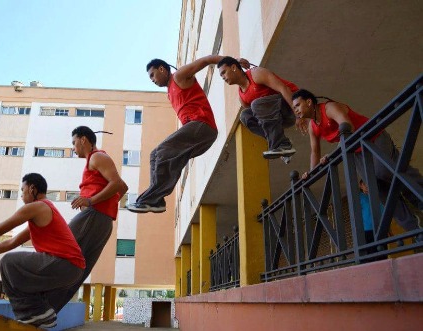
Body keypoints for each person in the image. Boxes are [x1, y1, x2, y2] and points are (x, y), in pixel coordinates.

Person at [0, 173, 85, 328]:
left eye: (23, 190)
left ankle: (34, 313)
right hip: (72, 270)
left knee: (8, 263)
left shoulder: (37, 207)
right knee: (14, 268)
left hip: (64, 264)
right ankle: (40, 315)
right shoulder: (42, 213)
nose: (21, 195)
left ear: (32, 189)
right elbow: (12, 242)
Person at [292, 89, 422, 232]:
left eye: (297, 105)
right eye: (294, 108)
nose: (296, 110)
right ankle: (413, 227)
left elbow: (348, 127)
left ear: (309, 102)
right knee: (376, 188)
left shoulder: (329, 108)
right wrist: (311, 174)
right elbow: (315, 151)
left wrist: (334, 154)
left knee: (384, 171)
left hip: (373, 137)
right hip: (356, 151)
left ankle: (419, 197)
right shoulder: (313, 126)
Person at [45, 126, 128, 312]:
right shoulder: (97, 159)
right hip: (102, 220)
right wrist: (103, 202)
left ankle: (39, 300)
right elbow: (122, 187)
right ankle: (49, 310)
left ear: (83, 140)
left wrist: (91, 201)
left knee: (60, 249)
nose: (74, 149)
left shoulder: (97, 156)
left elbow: (117, 184)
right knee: (79, 266)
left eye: (74, 143)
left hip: (94, 216)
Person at [126, 56, 221, 213]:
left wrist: (230, 60)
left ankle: (152, 199)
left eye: (152, 75)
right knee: (156, 155)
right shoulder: (169, 92)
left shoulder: (179, 76)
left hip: (202, 126)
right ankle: (157, 200)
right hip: (198, 135)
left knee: (163, 151)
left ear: (162, 69)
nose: (152, 80)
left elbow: (205, 61)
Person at [216, 56, 307, 159]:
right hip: (279, 118)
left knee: (256, 104)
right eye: (221, 75)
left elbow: (283, 88)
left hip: (292, 105)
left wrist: (298, 114)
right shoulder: (242, 97)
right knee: (245, 115)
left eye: (224, 72)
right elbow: (261, 118)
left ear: (233, 67)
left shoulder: (256, 74)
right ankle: (281, 144)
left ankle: (280, 144)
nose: (223, 77)